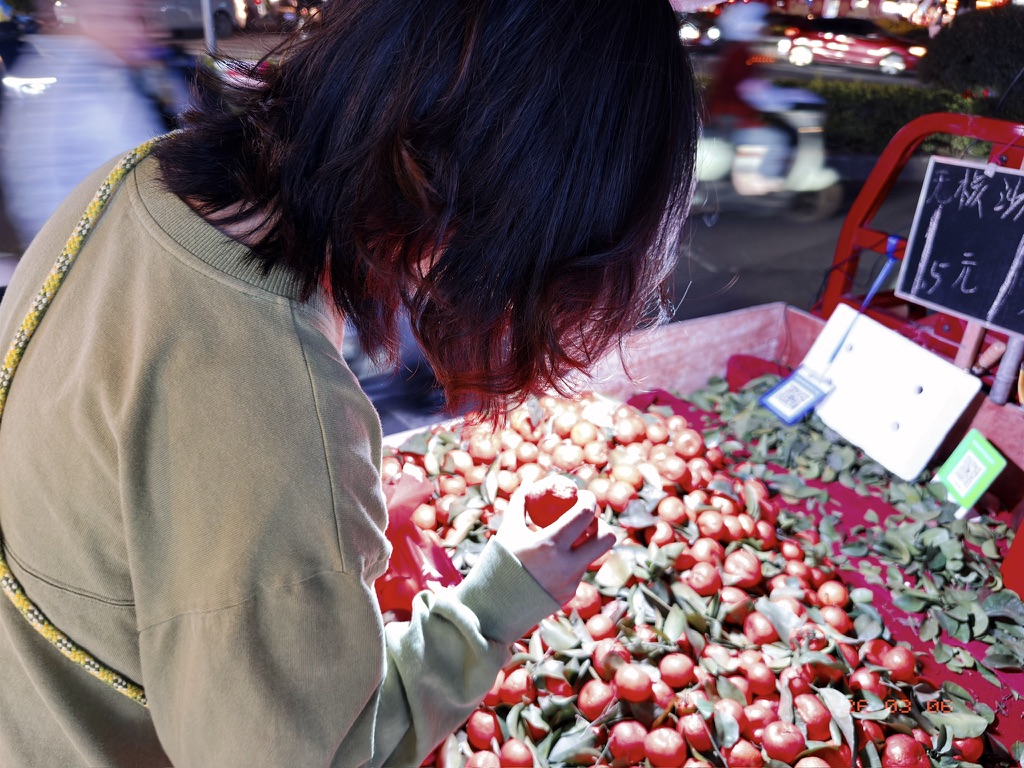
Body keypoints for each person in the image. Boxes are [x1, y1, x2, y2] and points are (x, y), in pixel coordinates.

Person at [0, 0, 699, 765]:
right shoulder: (273, 406)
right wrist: (498, 602)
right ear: (475, 204)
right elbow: (321, 755)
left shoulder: (138, 179)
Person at [0, 0, 187, 252]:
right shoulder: (72, 91)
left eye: (140, 16)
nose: (136, 29)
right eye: (118, 18)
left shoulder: (129, 71)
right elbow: (45, 202)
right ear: (84, 19)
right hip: (104, 255)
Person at [704, 2, 792, 193]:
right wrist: (779, 100)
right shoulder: (741, 54)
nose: (763, 28)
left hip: (728, 115)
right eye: (759, 23)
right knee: (774, 140)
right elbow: (748, 88)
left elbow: (749, 86)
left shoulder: (737, 51)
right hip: (731, 118)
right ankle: (764, 185)